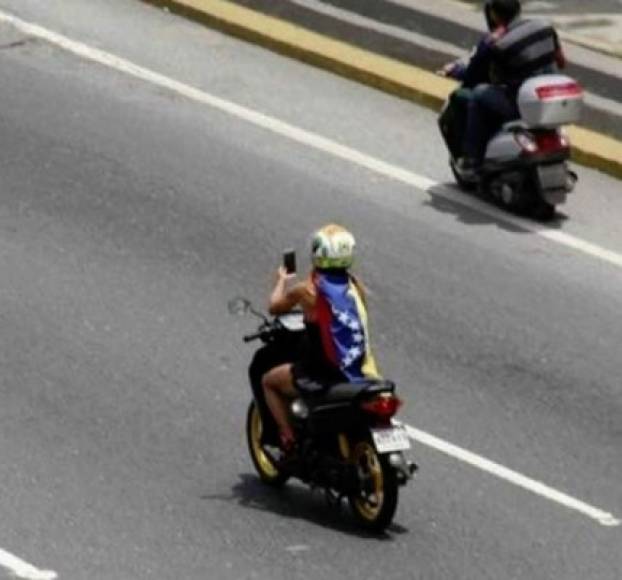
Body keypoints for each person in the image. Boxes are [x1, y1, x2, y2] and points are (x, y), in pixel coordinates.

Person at [261, 224, 381, 451]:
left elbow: (274, 307)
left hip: (320, 372)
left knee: (269, 381)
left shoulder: (306, 291)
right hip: (358, 366)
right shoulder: (356, 287)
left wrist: (281, 280)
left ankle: (288, 438)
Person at [439, 0, 566, 171]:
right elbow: (561, 61)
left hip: (520, 105)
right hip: (548, 99)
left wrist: (454, 71)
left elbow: (479, 77)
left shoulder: (497, 44)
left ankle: (471, 158)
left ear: (493, 15)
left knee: (478, 94)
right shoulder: (544, 26)